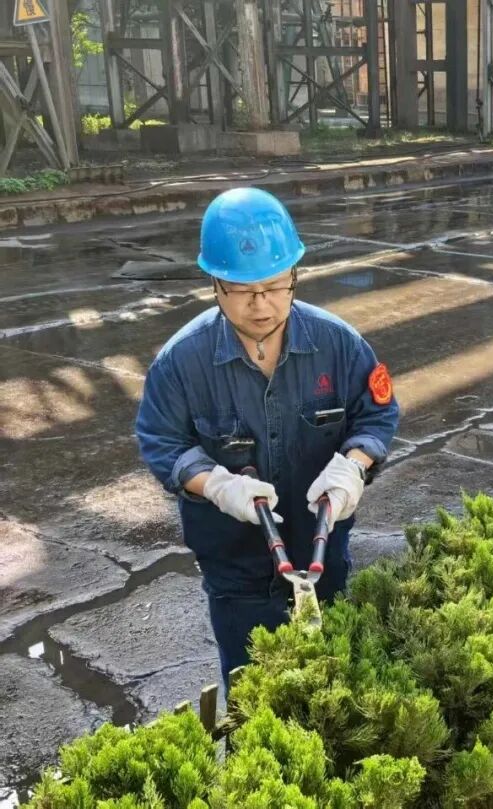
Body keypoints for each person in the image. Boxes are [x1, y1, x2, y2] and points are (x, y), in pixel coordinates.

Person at [136, 187, 399, 685]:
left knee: (329, 686)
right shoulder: (180, 363)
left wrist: (353, 466)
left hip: (322, 552)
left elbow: (377, 415)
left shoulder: (340, 345)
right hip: (234, 568)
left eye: (275, 286)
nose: (261, 305)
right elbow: (161, 441)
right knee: (249, 688)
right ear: (215, 284)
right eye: (243, 291)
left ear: (294, 276)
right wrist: (216, 484)